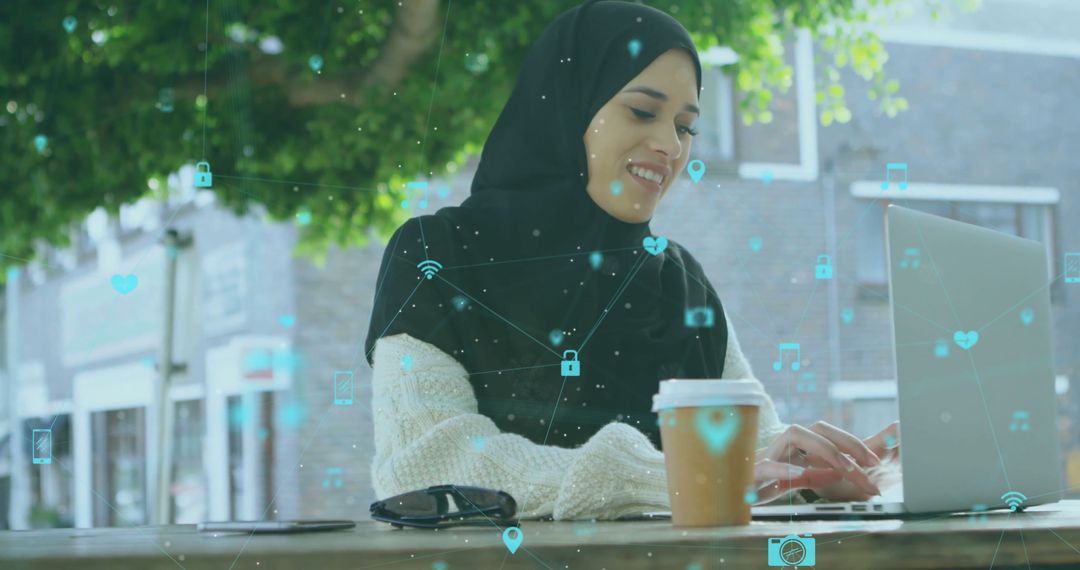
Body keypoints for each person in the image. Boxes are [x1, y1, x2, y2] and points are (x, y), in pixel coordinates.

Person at [364, 0, 899, 521]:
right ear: (566, 107)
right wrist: (671, 479)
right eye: (643, 111)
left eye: (687, 126)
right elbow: (424, 466)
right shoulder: (437, 255)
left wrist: (811, 476)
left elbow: (747, 465)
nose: (670, 145)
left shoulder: (679, 282)